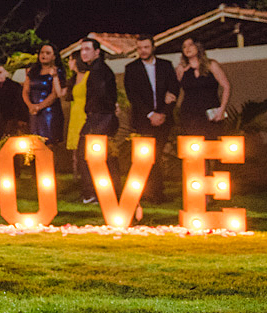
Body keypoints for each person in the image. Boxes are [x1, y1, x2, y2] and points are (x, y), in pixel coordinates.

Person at [123, 35, 180, 205]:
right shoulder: (131, 68)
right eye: (139, 48)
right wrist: (150, 114)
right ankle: (150, 192)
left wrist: (163, 113)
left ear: (153, 47)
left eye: (146, 47)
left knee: (157, 154)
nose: (143, 51)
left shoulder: (165, 66)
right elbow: (132, 95)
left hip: (164, 119)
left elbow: (173, 90)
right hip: (143, 120)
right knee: (146, 157)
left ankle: (156, 192)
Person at [76, 38, 119, 204]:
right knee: (98, 156)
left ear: (97, 51)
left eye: (87, 49)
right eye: (82, 50)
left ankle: (93, 193)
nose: (84, 53)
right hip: (100, 116)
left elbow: (102, 94)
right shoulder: (97, 69)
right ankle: (102, 192)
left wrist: (101, 111)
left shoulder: (99, 70)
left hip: (100, 117)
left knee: (89, 155)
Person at [175, 37, 230, 136]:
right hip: (190, 113)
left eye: (190, 45)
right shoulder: (181, 69)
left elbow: (226, 86)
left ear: (198, 46)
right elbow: (174, 88)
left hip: (211, 111)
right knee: (193, 145)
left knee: (213, 144)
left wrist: (222, 109)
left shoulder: (211, 65)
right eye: (184, 47)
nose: (187, 48)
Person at [23, 43, 64, 146]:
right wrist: (30, 105)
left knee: (49, 143)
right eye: (42, 52)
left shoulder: (57, 71)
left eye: (48, 53)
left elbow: (55, 94)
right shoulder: (33, 71)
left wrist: (39, 107)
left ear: (54, 56)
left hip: (50, 112)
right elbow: (25, 91)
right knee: (34, 143)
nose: (44, 55)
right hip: (33, 111)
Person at [57, 50, 88, 185]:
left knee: (85, 149)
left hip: (85, 114)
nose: (69, 63)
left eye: (70, 59)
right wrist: (54, 77)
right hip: (75, 115)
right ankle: (78, 181)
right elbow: (61, 93)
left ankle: (87, 180)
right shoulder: (73, 79)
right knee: (76, 151)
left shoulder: (88, 76)